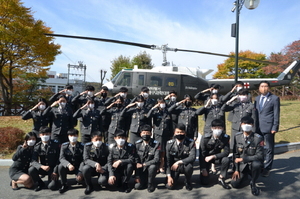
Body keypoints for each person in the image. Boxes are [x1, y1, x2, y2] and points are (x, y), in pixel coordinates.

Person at [231, 116, 264, 196]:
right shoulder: (237, 136)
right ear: (241, 124)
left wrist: (243, 159)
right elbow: (235, 154)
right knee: (234, 184)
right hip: (242, 166)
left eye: (249, 123)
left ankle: (253, 182)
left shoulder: (258, 138)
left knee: (257, 164)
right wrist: (236, 169)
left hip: (252, 164)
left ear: (252, 125)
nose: (246, 125)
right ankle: (244, 175)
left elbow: (260, 156)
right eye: (244, 123)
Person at [254, 81, 280, 177]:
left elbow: (276, 114)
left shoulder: (274, 98)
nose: (263, 88)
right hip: (257, 127)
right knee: (258, 148)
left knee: (269, 148)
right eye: (262, 86)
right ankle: (260, 166)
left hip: (269, 127)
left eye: (265, 86)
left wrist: (275, 127)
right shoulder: (256, 98)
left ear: (269, 87)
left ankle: (267, 168)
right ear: (259, 88)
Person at [199, 119, 231, 189]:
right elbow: (202, 154)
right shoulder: (205, 138)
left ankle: (221, 177)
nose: (217, 130)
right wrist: (203, 169)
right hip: (206, 159)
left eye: (219, 128)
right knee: (205, 182)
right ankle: (205, 172)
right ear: (211, 128)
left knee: (226, 159)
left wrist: (214, 156)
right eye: (215, 128)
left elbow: (226, 152)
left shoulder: (225, 138)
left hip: (216, 158)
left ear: (223, 128)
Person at [165, 123, 196, 191]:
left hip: (185, 165)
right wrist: (169, 176)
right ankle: (174, 177)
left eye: (182, 132)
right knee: (169, 186)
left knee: (189, 167)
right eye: (177, 132)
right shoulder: (169, 144)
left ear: (185, 133)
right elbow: (167, 161)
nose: (179, 134)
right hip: (174, 167)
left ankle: (187, 181)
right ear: (174, 133)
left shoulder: (191, 142)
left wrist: (179, 162)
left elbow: (192, 157)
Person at [29, 126, 60, 191]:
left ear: (50, 134)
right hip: (43, 168)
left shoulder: (55, 145)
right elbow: (33, 161)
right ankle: (39, 183)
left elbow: (59, 159)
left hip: (53, 169)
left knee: (52, 187)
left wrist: (55, 171)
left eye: (47, 134)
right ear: (40, 135)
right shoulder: (37, 146)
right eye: (43, 134)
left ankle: (55, 181)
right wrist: (41, 166)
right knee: (31, 169)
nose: (45, 136)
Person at [147, 98, 173, 173]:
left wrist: (171, 134)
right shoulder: (155, 112)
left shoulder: (167, 112)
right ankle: (157, 166)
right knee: (157, 151)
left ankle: (162, 166)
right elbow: (148, 116)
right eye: (160, 103)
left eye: (163, 103)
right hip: (157, 134)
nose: (162, 104)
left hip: (166, 134)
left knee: (164, 151)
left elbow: (170, 124)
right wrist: (153, 108)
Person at [134, 124, 160, 192]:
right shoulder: (137, 144)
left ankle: (150, 184)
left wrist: (144, 164)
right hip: (141, 169)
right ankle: (143, 180)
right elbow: (136, 160)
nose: (145, 135)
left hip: (150, 167)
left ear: (151, 134)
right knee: (137, 186)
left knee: (153, 167)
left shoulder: (156, 144)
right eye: (143, 133)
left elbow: (156, 159)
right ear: (140, 134)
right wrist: (137, 176)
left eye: (147, 133)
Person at [82, 131, 109, 195]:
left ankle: (101, 181)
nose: (98, 141)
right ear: (92, 140)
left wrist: (103, 168)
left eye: (100, 139)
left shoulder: (106, 147)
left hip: (102, 169)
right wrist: (96, 164)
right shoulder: (87, 146)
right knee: (85, 168)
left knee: (102, 182)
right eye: (96, 139)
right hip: (92, 168)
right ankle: (89, 185)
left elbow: (109, 161)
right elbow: (86, 159)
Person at [57, 128, 84, 193]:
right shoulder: (64, 146)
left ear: (77, 136)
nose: (73, 137)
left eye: (74, 135)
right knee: (60, 166)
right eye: (71, 136)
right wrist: (68, 165)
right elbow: (61, 158)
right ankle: (64, 184)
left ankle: (80, 179)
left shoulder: (82, 146)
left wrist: (80, 171)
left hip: (78, 168)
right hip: (68, 167)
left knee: (80, 181)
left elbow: (84, 160)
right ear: (68, 136)